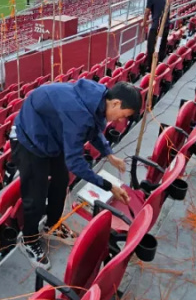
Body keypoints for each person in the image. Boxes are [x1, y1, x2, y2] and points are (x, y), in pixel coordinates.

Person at [12, 79, 140, 268]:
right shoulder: (78, 112)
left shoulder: (99, 99)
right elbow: (75, 162)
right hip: (30, 139)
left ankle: (52, 224)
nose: (121, 120)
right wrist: (108, 186)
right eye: (123, 115)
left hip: (52, 135)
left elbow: (94, 129)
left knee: (61, 180)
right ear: (116, 103)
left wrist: (109, 154)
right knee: (35, 196)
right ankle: (28, 240)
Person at [142, 0, 170, 72]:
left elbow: (146, 13)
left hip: (156, 27)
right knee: (161, 46)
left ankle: (150, 68)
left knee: (151, 48)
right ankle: (159, 66)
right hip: (165, 25)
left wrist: (144, 22)